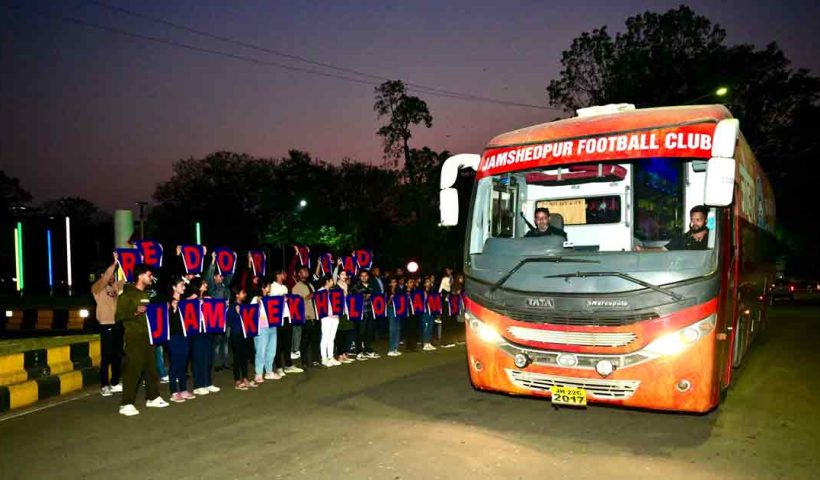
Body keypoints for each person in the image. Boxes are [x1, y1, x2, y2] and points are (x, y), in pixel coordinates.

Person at [117, 264, 169, 416]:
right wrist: (134, 311)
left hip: (149, 337)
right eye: (148, 275)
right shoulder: (126, 295)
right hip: (134, 338)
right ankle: (126, 403)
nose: (151, 278)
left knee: (151, 370)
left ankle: (153, 397)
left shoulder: (146, 294)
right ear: (140, 276)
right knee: (133, 371)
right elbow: (118, 316)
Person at [92, 253, 125, 397]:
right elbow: (106, 277)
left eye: (113, 275)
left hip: (117, 324)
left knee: (117, 355)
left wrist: (130, 260)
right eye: (111, 275)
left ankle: (115, 382)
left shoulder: (115, 287)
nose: (113, 277)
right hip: (106, 325)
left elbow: (125, 279)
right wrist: (115, 263)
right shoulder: (97, 288)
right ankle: (104, 385)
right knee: (106, 356)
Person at [187, 277, 220, 396]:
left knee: (209, 356)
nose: (206, 284)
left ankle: (208, 382)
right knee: (198, 357)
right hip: (197, 331)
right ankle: (198, 385)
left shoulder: (208, 298)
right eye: (203, 283)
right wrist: (192, 300)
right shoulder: (190, 298)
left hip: (208, 329)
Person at [166, 276, 195, 403]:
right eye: (181, 285)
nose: (184, 287)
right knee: (175, 364)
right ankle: (173, 391)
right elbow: (165, 321)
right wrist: (171, 308)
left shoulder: (184, 302)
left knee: (183, 364)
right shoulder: (168, 302)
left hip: (185, 335)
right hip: (173, 337)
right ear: (174, 287)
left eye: (184, 285)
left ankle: (183, 389)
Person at [204, 253, 233, 372]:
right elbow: (209, 276)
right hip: (216, 318)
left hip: (226, 317)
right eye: (220, 276)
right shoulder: (212, 288)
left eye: (222, 276)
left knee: (225, 341)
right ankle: (216, 364)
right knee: (216, 342)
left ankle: (226, 362)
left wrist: (232, 261)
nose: (222, 278)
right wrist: (213, 261)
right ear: (215, 277)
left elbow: (231, 274)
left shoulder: (225, 287)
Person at [272, 269, 303, 376]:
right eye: (283, 274)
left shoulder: (285, 287)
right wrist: (282, 299)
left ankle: (288, 364)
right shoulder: (272, 287)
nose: (285, 275)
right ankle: (278, 366)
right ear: (278, 275)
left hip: (287, 317)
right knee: (279, 343)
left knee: (287, 342)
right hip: (278, 319)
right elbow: (271, 303)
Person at [227, 287, 257, 390]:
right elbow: (229, 321)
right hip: (236, 334)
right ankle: (237, 380)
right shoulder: (232, 307)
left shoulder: (244, 306)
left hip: (245, 334)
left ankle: (245, 378)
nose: (245, 294)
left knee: (244, 357)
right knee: (237, 357)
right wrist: (236, 313)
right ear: (237, 295)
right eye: (242, 293)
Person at [251, 277, 279, 383]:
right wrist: (257, 304)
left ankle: (269, 371)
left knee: (271, 350)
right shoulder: (256, 299)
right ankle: (258, 373)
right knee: (260, 350)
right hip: (261, 328)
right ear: (263, 287)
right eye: (268, 285)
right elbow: (251, 313)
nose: (270, 287)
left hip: (272, 326)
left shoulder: (270, 298)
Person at [293, 266, 321, 369]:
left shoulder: (310, 284)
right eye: (303, 271)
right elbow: (297, 303)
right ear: (299, 274)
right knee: (305, 340)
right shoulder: (296, 287)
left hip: (315, 315)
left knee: (315, 339)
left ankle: (315, 360)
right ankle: (304, 362)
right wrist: (309, 296)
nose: (305, 273)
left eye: (306, 271)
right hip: (306, 316)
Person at [351, 269, 380, 359]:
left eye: (365, 275)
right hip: (360, 313)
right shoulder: (356, 286)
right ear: (359, 277)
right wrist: (365, 296)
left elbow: (377, 296)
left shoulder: (371, 285)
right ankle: (359, 352)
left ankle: (368, 350)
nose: (364, 277)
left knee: (369, 332)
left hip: (370, 312)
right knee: (360, 333)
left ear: (368, 276)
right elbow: (354, 298)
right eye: (362, 276)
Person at [316, 275, 342, 367]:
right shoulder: (320, 291)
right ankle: (324, 358)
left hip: (334, 317)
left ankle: (331, 357)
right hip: (326, 317)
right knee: (325, 337)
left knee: (332, 337)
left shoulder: (331, 291)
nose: (333, 282)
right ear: (327, 281)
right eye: (331, 280)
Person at [333, 267, 356, 364]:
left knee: (349, 331)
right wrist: (337, 266)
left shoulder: (347, 285)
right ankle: (340, 354)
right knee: (340, 333)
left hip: (348, 312)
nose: (344, 276)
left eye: (345, 274)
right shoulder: (335, 286)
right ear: (338, 276)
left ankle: (345, 353)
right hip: (340, 312)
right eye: (342, 274)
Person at [386, 277, 402, 357]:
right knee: (392, 329)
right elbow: (386, 305)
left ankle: (395, 348)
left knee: (397, 329)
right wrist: (390, 298)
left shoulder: (399, 291)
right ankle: (391, 349)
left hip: (398, 310)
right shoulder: (387, 292)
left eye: (395, 282)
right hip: (391, 309)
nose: (393, 284)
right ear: (389, 284)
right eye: (392, 282)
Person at [419, 277, 437, 351]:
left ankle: (428, 342)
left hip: (431, 311)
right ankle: (424, 343)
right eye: (427, 282)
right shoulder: (421, 291)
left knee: (430, 326)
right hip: (425, 311)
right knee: (425, 327)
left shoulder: (431, 291)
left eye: (429, 282)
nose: (428, 283)